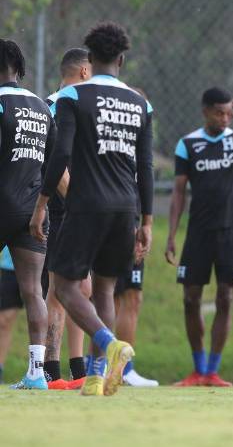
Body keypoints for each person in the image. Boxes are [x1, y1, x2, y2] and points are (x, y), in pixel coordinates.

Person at [30, 22, 154, 397]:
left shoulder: (72, 98)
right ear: (120, 59)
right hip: (126, 208)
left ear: (91, 60)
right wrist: (146, 220)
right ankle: (97, 376)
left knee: (65, 285)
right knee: (104, 289)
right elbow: (145, 166)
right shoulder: (140, 103)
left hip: (86, 206)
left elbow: (61, 154)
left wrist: (42, 205)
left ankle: (109, 342)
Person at [166, 87, 233, 387]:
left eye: (227, 113)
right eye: (218, 113)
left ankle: (212, 371)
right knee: (190, 298)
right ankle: (197, 369)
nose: (224, 118)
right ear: (205, 111)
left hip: (232, 231)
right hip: (198, 233)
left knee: (225, 297)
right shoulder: (188, 144)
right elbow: (179, 192)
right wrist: (171, 235)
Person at [1, 39, 57, 390]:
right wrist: (42, 206)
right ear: (18, 69)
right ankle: (36, 372)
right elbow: (53, 163)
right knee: (33, 290)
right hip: (34, 208)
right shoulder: (41, 107)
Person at [43, 48, 92, 390]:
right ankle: (50, 370)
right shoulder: (58, 105)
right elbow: (55, 164)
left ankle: (77, 369)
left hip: (80, 207)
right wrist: (76, 202)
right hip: (64, 208)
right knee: (59, 291)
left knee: (81, 288)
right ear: (85, 72)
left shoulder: (72, 104)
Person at [0, 247, 21, 385]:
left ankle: (41, 369)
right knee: (3, 321)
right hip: (10, 265)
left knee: (41, 320)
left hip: (40, 263)